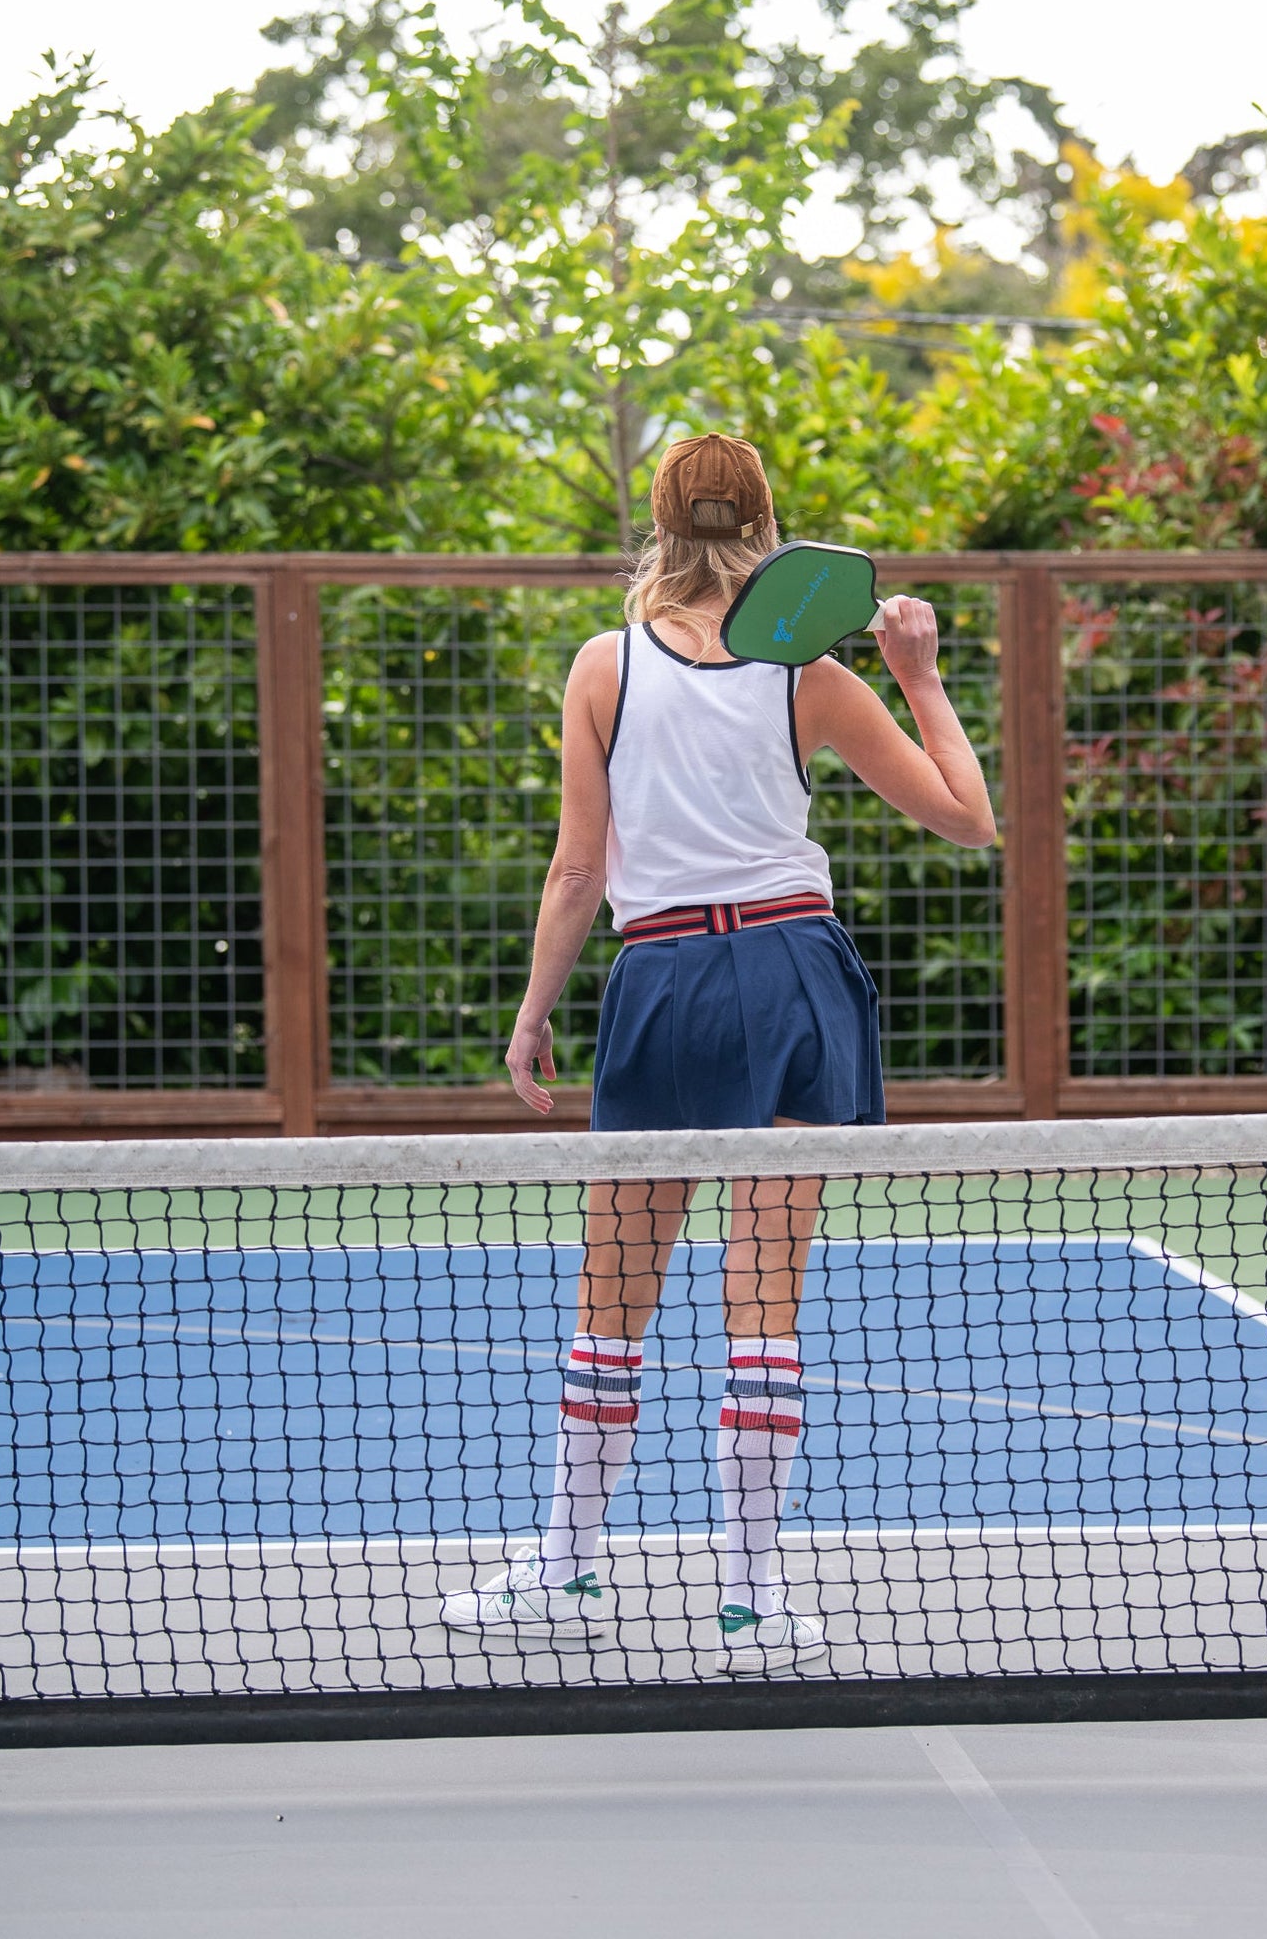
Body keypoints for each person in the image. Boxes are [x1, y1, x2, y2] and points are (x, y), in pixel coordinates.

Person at [442, 433, 995, 1672]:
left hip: (662, 980)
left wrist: (536, 1010)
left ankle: (566, 1559)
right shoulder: (809, 669)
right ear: (764, 526)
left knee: (611, 1298)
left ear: (655, 523)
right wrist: (917, 673)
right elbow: (969, 819)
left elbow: (580, 867)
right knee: (762, 1298)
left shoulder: (601, 666)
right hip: (793, 976)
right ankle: (748, 1596)